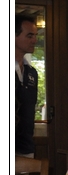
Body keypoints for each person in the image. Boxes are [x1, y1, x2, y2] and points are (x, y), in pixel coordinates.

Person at [14, 14, 39, 158]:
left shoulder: (31, 72)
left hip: (25, 147)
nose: (34, 40)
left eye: (35, 36)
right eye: (29, 36)